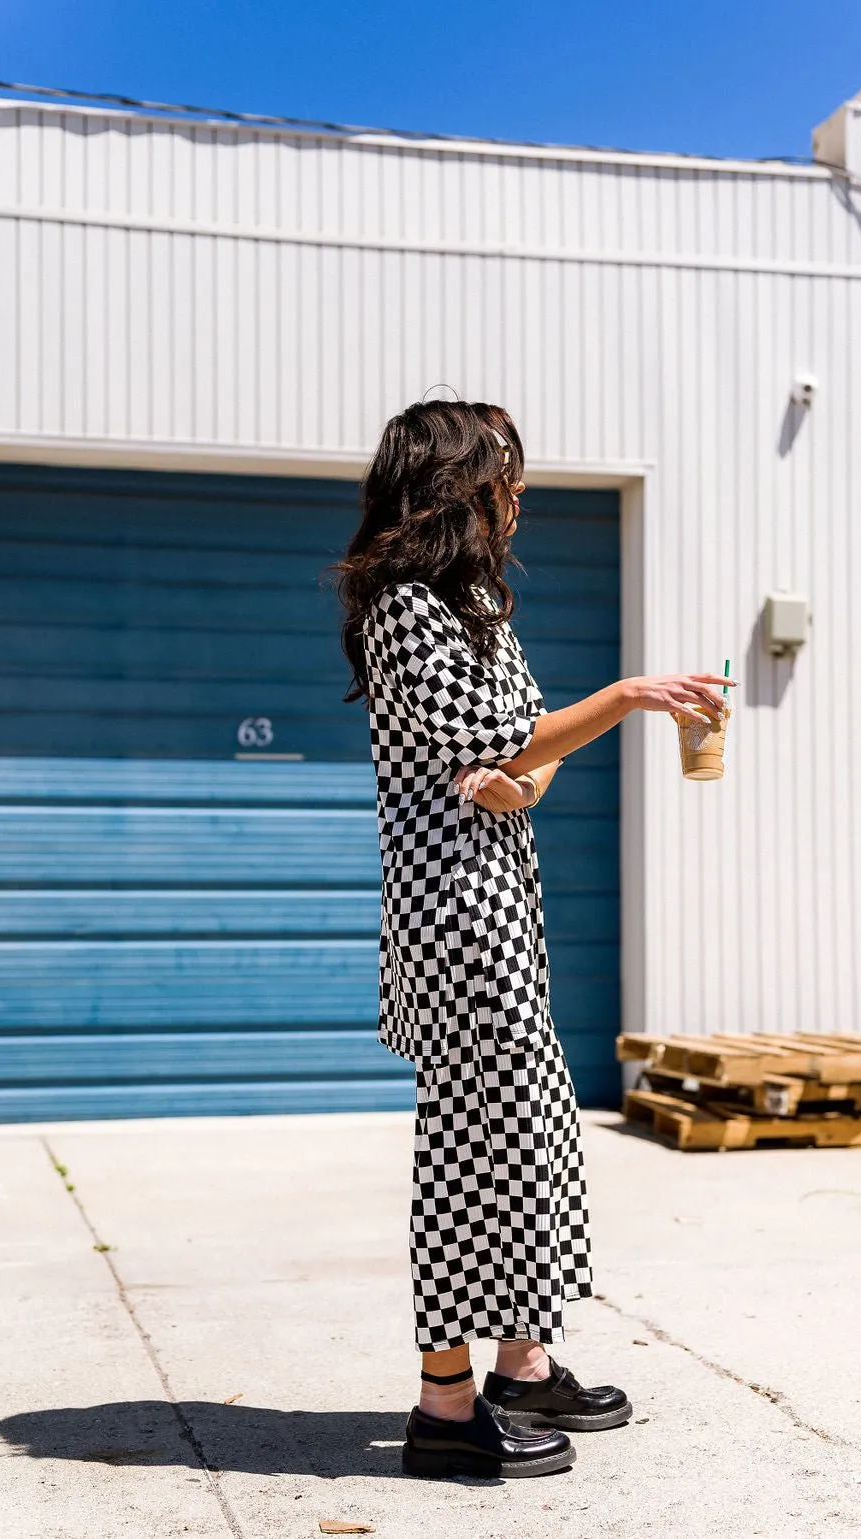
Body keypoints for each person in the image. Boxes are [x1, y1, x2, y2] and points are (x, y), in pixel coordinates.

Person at [338, 399, 732, 1480]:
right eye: (503, 475)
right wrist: (628, 696)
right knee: (469, 1146)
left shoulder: (474, 605)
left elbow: (527, 760)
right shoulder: (406, 605)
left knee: (527, 1138)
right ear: (453, 484)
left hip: (502, 899)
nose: (518, 494)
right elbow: (514, 738)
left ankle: (517, 1362)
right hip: (452, 907)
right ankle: (443, 1402)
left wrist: (519, 765)